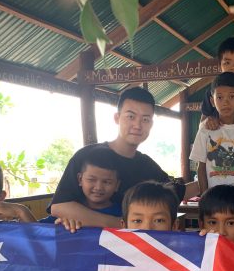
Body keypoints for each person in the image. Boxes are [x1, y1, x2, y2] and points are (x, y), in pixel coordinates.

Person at [50, 87, 199, 228]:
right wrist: (122, 225)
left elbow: (175, 192)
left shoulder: (147, 166)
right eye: (130, 116)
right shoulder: (87, 156)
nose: (137, 125)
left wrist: (211, 177)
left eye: (145, 119)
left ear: (151, 124)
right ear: (117, 117)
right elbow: (59, 207)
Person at [40, 151, 121, 224]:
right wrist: (60, 227)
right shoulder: (69, 213)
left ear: (117, 185)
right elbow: (35, 230)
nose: (98, 187)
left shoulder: (125, 213)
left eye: (106, 182)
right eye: (91, 180)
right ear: (80, 179)